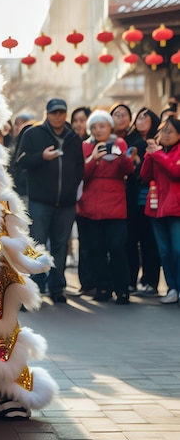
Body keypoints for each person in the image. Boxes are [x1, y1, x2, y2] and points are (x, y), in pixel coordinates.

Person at [14, 98, 84, 303]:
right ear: (47, 113)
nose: (58, 116)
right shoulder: (33, 134)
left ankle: (57, 287)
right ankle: (35, 288)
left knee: (61, 246)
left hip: (66, 204)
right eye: (54, 112)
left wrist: (72, 189)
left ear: (66, 114)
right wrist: (41, 157)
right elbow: (20, 161)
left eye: (61, 112)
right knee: (37, 245)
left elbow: (80, 167)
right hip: (40, 201)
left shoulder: (74, 138)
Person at [77, 110, 136, 305]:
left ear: (110, 127)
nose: (98, 130)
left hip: (115, 205)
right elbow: (81, 174)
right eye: (94, 127)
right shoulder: (86, 146)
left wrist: (122, 158)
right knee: (96, 249)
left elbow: (129, 170)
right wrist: (93, 158)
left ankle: (122, 289)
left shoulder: (120, 143)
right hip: (90, 205)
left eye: (102, 126)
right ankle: (103, 287)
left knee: (118, 247)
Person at [140, 116, 180, 304]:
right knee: (164, 251)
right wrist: (149, 155)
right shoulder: (156, 151)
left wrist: (157, 154)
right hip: (156, 208)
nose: (164, 135)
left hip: (176, 209)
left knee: (178, 250)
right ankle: (172, 288)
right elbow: (145, 175)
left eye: (169, 131)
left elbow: (175, 171)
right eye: (162, 130)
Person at [124, 107, 161, 295]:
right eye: (138, 117)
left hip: (153, 200)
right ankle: (130, 280)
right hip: (132, 199)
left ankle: (150, 282)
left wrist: (139, 162)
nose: (140, 120)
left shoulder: (159, 142)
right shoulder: (129, 142)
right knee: (131, 240)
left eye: (145, 117)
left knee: (149, 242)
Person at [69, 106, 92, 289]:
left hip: (90, 199)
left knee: (88, 243)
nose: (78, 124)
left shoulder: (95, 142)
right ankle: (84, 283)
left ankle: (91, 282)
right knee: (78, 243)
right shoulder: (69, 142)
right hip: (71, 199)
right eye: (75, 120)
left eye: (82, 120)